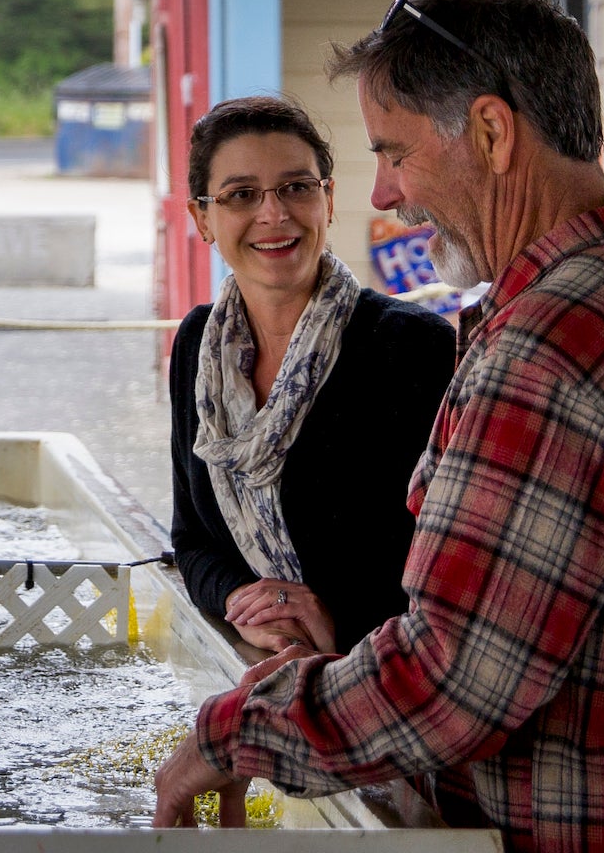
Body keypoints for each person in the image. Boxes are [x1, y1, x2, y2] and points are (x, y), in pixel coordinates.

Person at [155, 0, 604, 852]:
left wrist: (229, 734)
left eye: (394, 152)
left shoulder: (548, 354)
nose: (386, 195)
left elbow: (447, 685)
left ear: (492, 132)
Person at [167, 94, 455, 659]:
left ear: (328, 200)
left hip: (393, 684)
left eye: (297, 187)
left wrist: (337, 615)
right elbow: (192, 542)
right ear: (203, 218)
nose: (274, 214)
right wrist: (247, 604)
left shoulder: (414, 349)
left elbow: (454, 572)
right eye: (241, 195)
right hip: (264, 667)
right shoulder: (197, 347)